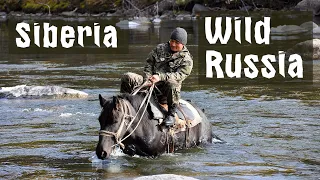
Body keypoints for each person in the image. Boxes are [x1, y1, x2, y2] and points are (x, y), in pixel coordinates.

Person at [120, 27, 193, 126]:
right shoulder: (160, 48)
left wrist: (160, 77)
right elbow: (149, 64)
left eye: (177, 42)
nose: (173, 44)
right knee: (128, 77)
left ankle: (171, 114)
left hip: (165, 90)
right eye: (172, 41)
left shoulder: (186, 60)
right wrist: (147, 78)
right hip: (149, 83)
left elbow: (179, 75)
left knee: (173, 84)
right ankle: (122, 103)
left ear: (183, 44)